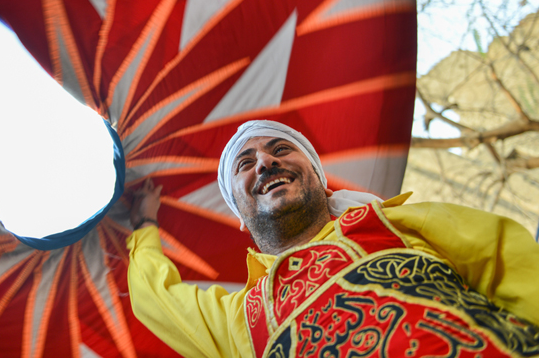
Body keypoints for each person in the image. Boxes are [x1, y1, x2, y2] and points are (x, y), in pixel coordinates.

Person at [127, 120, 539, 358]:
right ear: (239, 214)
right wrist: (145, 223)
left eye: (280, 149)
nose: (266, 161)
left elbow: (514, 265)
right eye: (245, 163)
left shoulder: (396, 224)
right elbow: (155, 297)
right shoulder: (239, 323)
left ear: (322, 183)